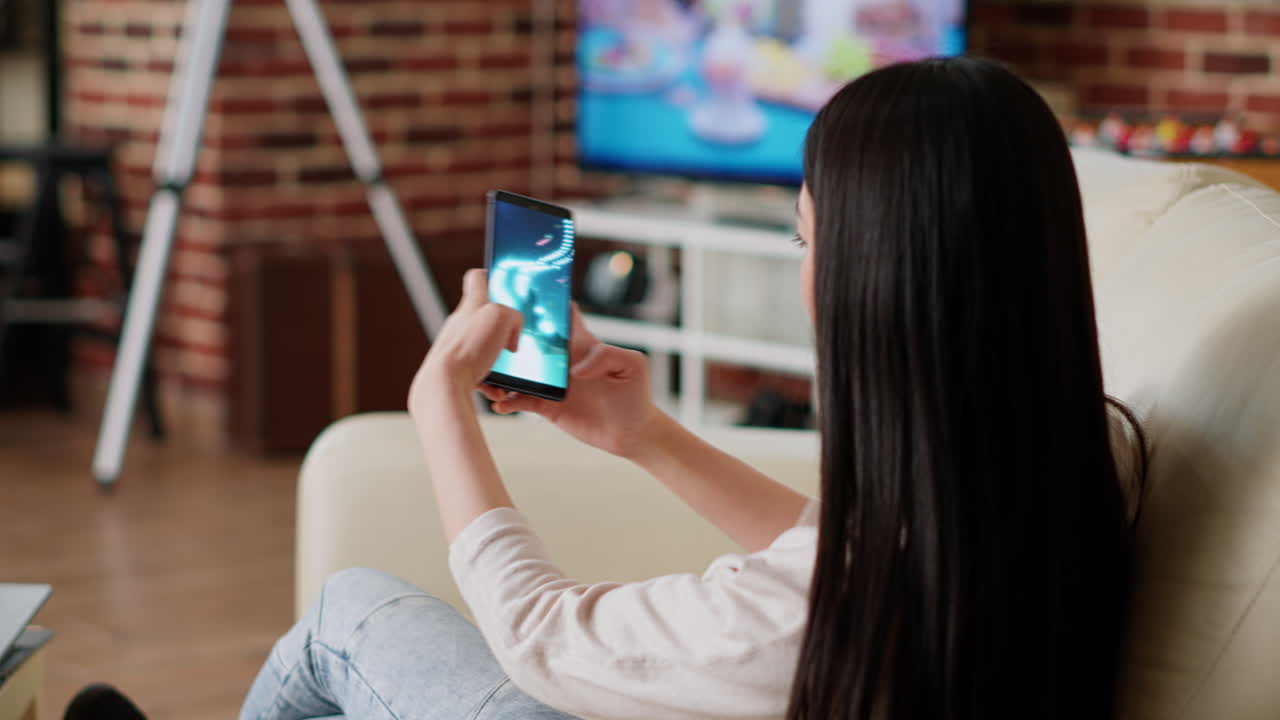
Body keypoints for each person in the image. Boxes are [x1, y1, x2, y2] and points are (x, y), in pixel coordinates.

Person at [69, 56, 1145, 720]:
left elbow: (540, 636)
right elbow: (849, 566)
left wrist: (437, 403)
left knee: (350, 616)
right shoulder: (1083, 455)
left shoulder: (801, 619)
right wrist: (646, 437)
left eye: (805, 236)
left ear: (872, 284)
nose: (802, 266)